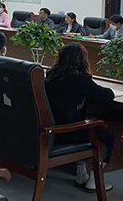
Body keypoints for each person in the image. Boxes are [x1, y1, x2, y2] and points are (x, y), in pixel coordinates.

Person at [45, 43, 115, 192]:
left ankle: (81, 174)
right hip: (68, 133)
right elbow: (107, 96)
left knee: (81, 120)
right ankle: (94, 180)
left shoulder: (50, 77)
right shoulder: (80, 79)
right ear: (83, 60)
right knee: (107, 137)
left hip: (50, 132)